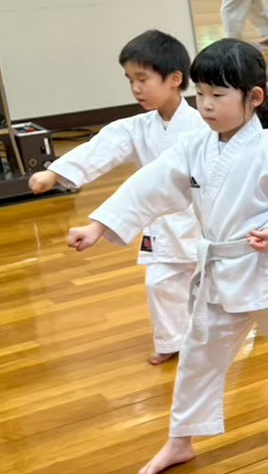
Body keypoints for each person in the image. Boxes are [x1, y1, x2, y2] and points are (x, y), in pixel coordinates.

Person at [66, 39, 268, 474]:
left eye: (218, 95)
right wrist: (100, 225)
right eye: (201, 94)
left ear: (254, 98)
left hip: (267, 269)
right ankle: (181, 439)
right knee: (198, 354)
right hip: (217, 270)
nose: (206, 106)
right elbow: (150, 184)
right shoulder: (197, 147)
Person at [28, 30, 203, 365]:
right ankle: (173, 342)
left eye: (143, 78)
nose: (136, 88)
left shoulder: (201, 126)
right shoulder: (136, 127)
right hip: (162, 224)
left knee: (218, 287)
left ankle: (252, 321)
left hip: (203, 223)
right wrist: (55, 173)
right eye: (130, 80)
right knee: (160, 283)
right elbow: (102, 147)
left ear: (174, 79)